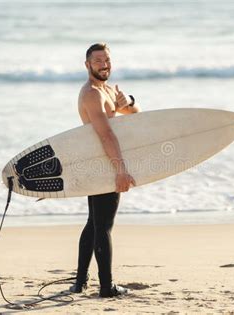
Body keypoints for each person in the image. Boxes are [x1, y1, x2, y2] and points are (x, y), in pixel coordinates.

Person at [70, 43, 141, 298]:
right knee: (104, 226)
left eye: (107, 59)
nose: (104, 64)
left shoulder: (108, 90)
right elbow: (106, 134)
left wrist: (128, 101)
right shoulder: (92, 94)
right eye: (98, 60)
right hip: (105, 163)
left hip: (101, 161)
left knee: (94, 223)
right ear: (87, 64)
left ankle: (79, 283)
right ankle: (106, 287)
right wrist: (120, 170)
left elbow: (136, 115)